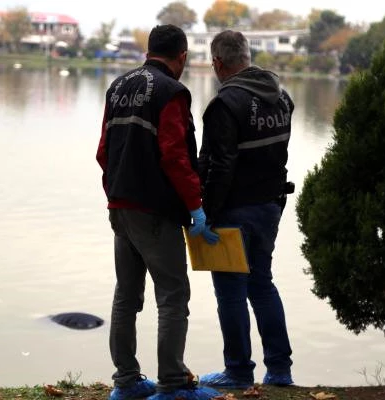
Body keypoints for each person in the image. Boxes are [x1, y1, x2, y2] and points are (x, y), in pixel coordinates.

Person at [96, 24, 220, 400]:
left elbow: (103, 150)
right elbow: (175, 157)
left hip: (120, 207)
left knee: (126, 295)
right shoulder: (172, 92)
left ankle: (127, 381)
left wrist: (116, 193)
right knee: (172, 295)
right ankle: (171, 385)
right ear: (182, 56)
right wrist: (196, 207)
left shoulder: (118, 86)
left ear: (149, 50)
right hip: (154, 211)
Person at [197, 30, 295, 389]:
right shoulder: (282, 98)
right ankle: (280, 370)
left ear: (218, 63)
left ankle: (238, 372)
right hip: (270, 207)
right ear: (247, 57)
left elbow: (219, 165)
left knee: (231, 292)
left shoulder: (226, 104)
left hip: (234, 210)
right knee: (262, 284)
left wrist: (205, 211)